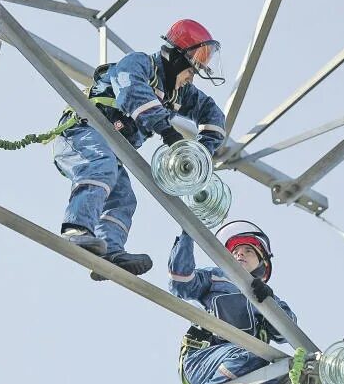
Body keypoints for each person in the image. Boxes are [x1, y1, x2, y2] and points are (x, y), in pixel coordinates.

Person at [54, 19, 226, 277]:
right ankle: (76, 228)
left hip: (114, 151)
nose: (192, 76)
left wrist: (201, 153)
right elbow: (132, 91)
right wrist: (167, 130)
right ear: (177, 58)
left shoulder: (180, 94)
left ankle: (109, 251)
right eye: (191, 68)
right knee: (102, 167)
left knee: (123, 198)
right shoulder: (141, 64)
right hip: (84, 132)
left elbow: (213, 116)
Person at [167, 220, 314, 384]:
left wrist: (269, 304)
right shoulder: (216, 278)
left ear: (262, 263)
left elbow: (288, 331)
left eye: (247, 250)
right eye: (235, 251)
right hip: (204, 362)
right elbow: (180, 282)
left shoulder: (266, 297)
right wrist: (188, 233)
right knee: (254, 353)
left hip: (246, 373)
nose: (239, 254)